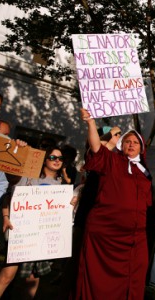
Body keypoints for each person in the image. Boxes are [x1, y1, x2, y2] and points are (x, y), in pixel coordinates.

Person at [75, 108, 152, 299]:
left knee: (132, 282)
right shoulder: (110, 160)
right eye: (128, 141)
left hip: (133, 240)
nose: (131, 144)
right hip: (105, 237)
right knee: (97, 283)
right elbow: (95, 148)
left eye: (135, 142)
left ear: (141, 148)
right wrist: (91, 123)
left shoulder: (145, 174)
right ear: (121, 145)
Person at [58, 125, 122, 299]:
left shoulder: (118, 159)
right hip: (86, 213)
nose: (117, 138)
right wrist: (110, 134)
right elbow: (96, 146)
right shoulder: (94, 154)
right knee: (76, 258)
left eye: (118, 135)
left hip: (104, 216)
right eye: (114, 135)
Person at [0, 146, 66, 299]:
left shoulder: (60, 186)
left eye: (60, 158)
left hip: (41, 240)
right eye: (52, 157)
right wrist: (6, 217)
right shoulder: (28, 178)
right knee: (7, 276)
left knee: (32, 281)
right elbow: (9, 190)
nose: (57, 161)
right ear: (44, 159)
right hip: (22, 236)